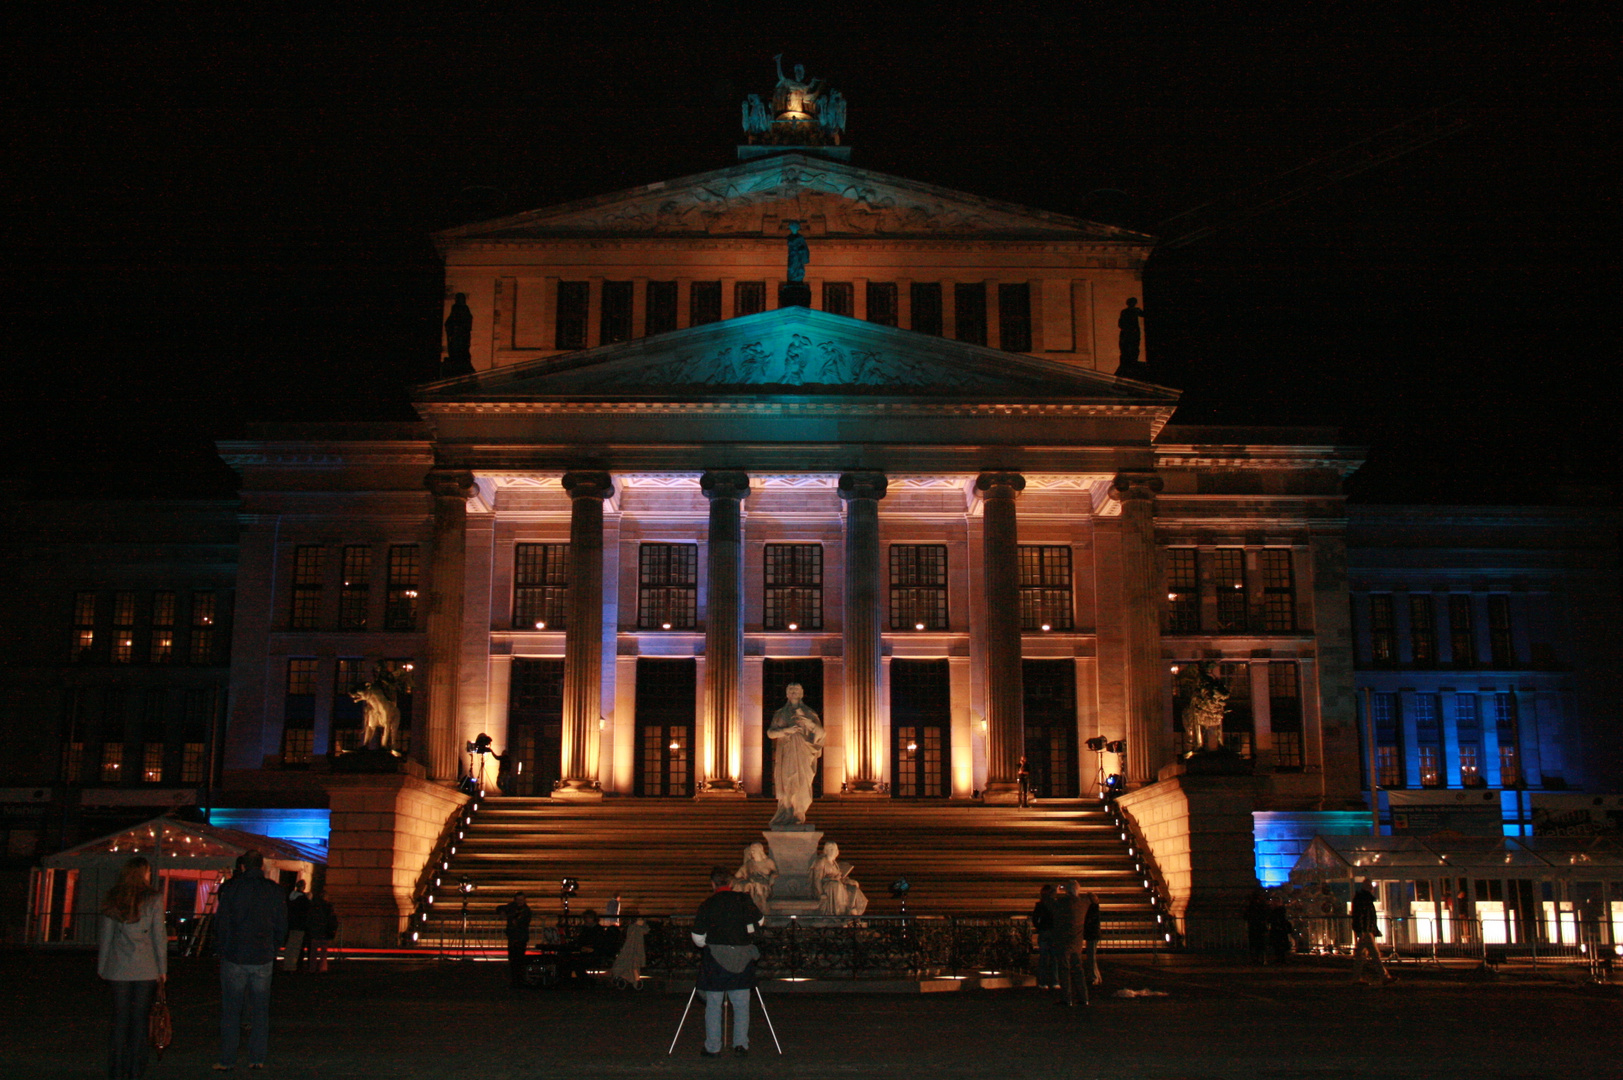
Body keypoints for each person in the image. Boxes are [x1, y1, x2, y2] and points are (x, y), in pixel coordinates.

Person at [215, 850, 288, 1071]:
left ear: (243, 867)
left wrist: (223, 948)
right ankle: (257, 1057)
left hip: (235, 954)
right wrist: (274, 947)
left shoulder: (229, 889)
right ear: (262, 867)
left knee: (231, 1010)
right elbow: (281, 924)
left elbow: (221, 924)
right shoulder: (274, 891)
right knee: (260, 1009)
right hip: (262, 954)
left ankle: (228, 1059)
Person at [98, 856, 168, 1080]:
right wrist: (162, 968)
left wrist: (102, 966)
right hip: (145, 965)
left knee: (120, 1019)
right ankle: (136, 1069)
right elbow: (159, 937)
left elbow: (106, 936)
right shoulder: (153, 899)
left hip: (119, 965)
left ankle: (116, 1069)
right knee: (140, 1019)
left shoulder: (114, 896)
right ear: (143, 873)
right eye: (148, 871)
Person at [691, 866, 762, 1058]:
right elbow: (760, 921)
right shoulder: (743, 900)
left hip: (716, 958)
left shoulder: (708, 904)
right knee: (741, 1003)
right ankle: (740, 1044)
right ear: (731, 883)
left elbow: (697, 937)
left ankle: (713, 1046)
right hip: (741, 957)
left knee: (713, 1004)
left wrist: (711, 943)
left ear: (712, 884)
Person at [767, 683, 824, 827]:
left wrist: (809, 723)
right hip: (787, 753)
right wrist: (786, 730)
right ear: (786, 694)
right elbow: (770, 733)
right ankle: (787, 811)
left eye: (796, 690)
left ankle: (799, 812)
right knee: (787, 781)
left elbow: (821, 733)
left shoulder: (809, 713)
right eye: (790, 690)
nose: (793, 692)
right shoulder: (780, 713)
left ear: (802, 693)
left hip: (803, 753)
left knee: (801, 783)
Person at [1051, 880, 1090, 1006]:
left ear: (1067, 890)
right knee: (1078, 969)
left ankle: (1067, 998)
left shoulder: (1062, 903)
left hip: (1063, 940)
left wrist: (1054, 893)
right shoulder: (1084, 903)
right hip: (1077, 941)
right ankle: (1084, 997)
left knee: (1064, 969)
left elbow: (1051, 906)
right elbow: (1093, 900)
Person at [1351, 883, 1394, 985]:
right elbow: (1364, 916)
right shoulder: (1365, 900)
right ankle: (1384, 977)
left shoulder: (1360, 899)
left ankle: (1357, 978)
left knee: (1362, 956)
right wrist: (1365, 930)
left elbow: (1359, 916)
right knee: (1374, 955)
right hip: (1366, 931)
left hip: (1365, 931)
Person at [810, 841, 868, 917]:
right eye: (830, 849)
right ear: (826, 850)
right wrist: (821, 893)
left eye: (833, 849)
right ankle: (839, 914)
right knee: (835, 885)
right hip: (828, 887)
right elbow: (817, 879)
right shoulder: (821, 861)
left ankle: (852, 910)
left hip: (838, 884)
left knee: (853, 888)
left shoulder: (834, 863)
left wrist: (849, 881)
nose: (832, 851)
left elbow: (839, 876)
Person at [498, 892, 532, 987]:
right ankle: (515, 980)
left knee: (519, 960)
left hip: (520, 938)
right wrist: (503, 914)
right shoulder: (512, 907)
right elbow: (500, 908)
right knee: (513, 959)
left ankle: (519, 980)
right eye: (518, 900)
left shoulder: (526, 910)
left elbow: (524, 923)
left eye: (521, 900)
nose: (519, 902)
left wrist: (515, 920)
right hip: (513, 937)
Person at [734, 842, 778, 915]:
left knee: (758, 887)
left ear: (759, 850)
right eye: (751, 850)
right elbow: (737, 876)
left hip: (764, 886)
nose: (752, 852)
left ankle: (760, 912)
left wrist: (772, 878)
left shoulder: (768, 862)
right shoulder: (749, 863)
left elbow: (775, 873)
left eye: (754, 850)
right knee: (748, 886)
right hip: (752, 885)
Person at [1029, 883, 1058, 989]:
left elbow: (1035, 919)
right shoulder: (1055, 904)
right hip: (1053, 932)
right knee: (1054, 958)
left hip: (1044, 932)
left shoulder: (1040, 904)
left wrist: (1039, 927)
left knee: (1043, 959)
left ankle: (1042, 982)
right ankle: (1054, 981)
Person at [610, 917, 650, 989]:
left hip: (633, 952)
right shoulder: (633, 929)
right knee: (629, 963)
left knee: (631, 963)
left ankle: (626, 978)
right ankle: (631, 979)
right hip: (629, 951)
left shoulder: (637, 929)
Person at [305, 887, 337, 973]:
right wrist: (332, 930)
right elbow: (332, 919)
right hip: (324, 931)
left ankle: (312, 967)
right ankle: (322, 967)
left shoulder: (314, 906)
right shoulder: (328, 906)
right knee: (323, 952)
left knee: (313, 952)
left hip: (315, 931)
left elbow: (309, 918)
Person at [282, 879, 309, 972]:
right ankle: (292, 966)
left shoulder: (290, 897)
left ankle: (286, 964)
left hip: (291, 924)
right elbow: (306, 912)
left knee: (289, 945)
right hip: (300, 925)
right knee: (296, 947)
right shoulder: (303, 899)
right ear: (303, 887)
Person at [1116, 297, 1145, 370]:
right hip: (1130, 333)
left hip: (1131, 333)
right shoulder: (1130, 311)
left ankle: (1131, 362)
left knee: (1132, 348)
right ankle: (1130, 362)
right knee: (1127, 348)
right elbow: (1121, 323)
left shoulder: (1132, 311)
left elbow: (1120, 323)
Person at [1082, 891, 1104, 986]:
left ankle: (1094, 976)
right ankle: (1096, 976)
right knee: (1091, 956)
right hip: (1093, 934)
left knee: (1091, 956)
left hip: (1092, 934)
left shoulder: (1092, 908)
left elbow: (1088, 921)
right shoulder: (1095, 908)